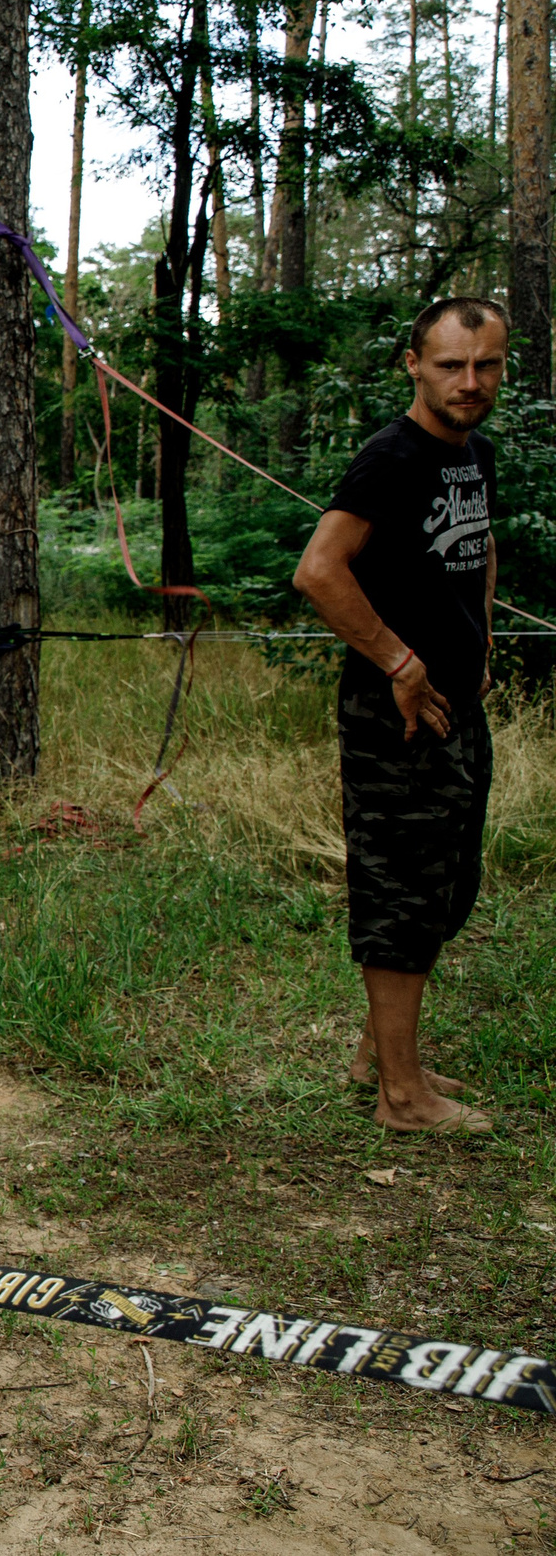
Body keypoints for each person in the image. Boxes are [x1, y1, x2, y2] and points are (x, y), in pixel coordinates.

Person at [291, 296, 503, 1135]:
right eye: (451, 365)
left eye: (485, 365)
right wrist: (401, 662)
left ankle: (382, 1051)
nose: (469, 381)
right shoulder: (392, 457)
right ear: (414, 365)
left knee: (447, 885)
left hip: (456, 702)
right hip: (398, 713)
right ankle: (402, 1097)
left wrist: (476, 645)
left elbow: (478, 550)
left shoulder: (473, 453)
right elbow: (319, 570)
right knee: (402, 892)